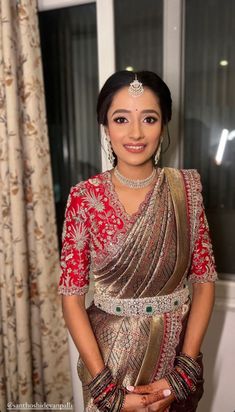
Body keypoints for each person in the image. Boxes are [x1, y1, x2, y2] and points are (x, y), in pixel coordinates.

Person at [58, 70, 217, 412]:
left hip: (177, 358)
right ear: (106, 125)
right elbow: (71, 299)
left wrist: (183, 373)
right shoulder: (85, 198)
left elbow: (204, 283)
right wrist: (106, 390)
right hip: (110, 364)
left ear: (164, 124)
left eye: (149, 118)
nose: (135, 133)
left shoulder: (186, 190)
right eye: (121, 119)